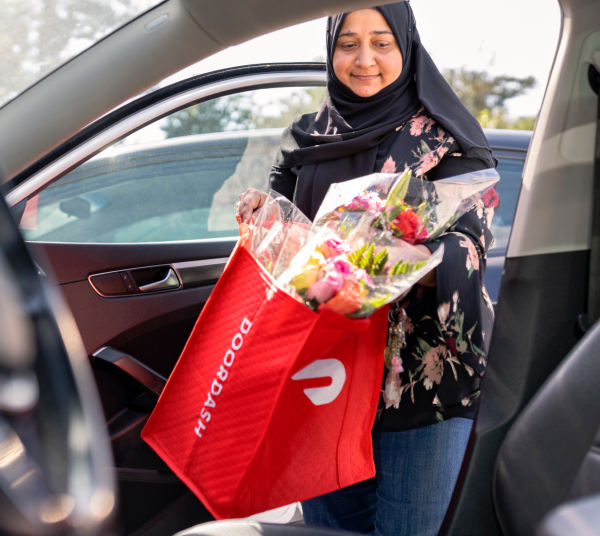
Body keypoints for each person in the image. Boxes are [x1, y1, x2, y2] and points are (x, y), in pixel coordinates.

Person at [236, 4, 499, 535]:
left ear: (406, 47)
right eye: (347, 43)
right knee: (331, 531)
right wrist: (265, 224)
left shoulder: (446, 141)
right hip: (322, 378)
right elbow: (286, 245)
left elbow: (470, 248)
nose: (364, 59)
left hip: (422, 389)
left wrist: (389, 261)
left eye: (381, 42)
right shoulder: (306, 142)